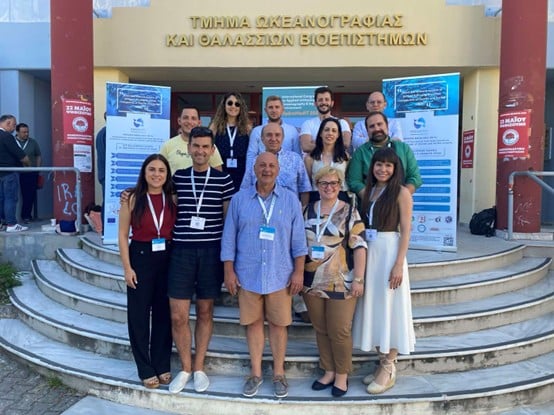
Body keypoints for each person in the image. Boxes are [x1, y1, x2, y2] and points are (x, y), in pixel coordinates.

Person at [221, 152, 307, 399]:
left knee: (279, 325)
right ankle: (256, 373)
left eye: (271, 165)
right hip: (247, 274)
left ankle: (279, 374)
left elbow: (299, 241)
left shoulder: (290, 200)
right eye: (262, 165)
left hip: (280, 274)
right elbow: (229, 238)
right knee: (254, 323)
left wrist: (299, 271)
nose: (267, 170)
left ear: (278, 170)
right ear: (254, 169)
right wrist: (228, 270)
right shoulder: (239, 200)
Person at [167, 126, 235, 394]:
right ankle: (185, 368)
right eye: (196, 145)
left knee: (205, 312)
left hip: (210, 252)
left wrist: (228, 259)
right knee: (178, 315)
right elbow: (168, 208)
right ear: (189, 148)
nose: (200, 150)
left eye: (205, 146)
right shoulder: (178, 177)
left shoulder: (224, 180)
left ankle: (199, 368)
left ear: (212, 150)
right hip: (181, 252)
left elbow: (228, 221)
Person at [352, 147, 415, 394]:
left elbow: (406, 230)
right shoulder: (368, 191)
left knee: (391, 308)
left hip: (389, 253)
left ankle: (389, 366)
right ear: (373, 167)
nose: (383, 169)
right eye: (379, 164)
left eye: (389, 165)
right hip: (371, 253)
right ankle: (381, 362)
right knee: (376, 307)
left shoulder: (401, 192)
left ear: (395, 168)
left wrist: (398, 263)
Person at [303, 166, 367, 397]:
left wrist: (359, 279)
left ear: (340, 186)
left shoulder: (349, 212)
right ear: (317, 186)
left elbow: (359, 246)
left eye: (333, 183)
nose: (329, 187)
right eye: (324, 183)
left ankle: (342, 374)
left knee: (339, 330)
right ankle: (328, 370)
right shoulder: (307, 210)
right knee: (320, 329)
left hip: (342, 281)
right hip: (311, 281)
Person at [118, 154, 176, 389]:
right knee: (139, 316)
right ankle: (144, 367)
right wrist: (127, 268)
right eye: (152, 169)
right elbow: (123, 235)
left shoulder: (172, 197)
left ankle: (161, 363)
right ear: (144, 172)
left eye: (161, 170)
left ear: (167, 174)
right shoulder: (132, 198)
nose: (156, 174)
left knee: (163, 314)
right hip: (140, 257)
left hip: (167, 258)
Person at [347, 111, 422, 198]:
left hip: (399, 202)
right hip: (371, 202)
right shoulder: (361, 152)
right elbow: (354, 181)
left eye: (379, 124)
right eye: (372, 126)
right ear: (367, 131)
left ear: (387, 126)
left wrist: (401, 197)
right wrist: (373, 200)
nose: (376, 129)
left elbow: (415, 178)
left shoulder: (403, 148)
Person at [241, 123, 311, 206]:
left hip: (289, 210)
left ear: (283, 138)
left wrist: (303, 210)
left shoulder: (295, 159)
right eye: (269, 135)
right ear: (262, 138)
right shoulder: (255, 161)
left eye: (277, 135)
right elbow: (245, 189)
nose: (273, 139)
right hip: (259, 209)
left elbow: (304, 188)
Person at [160, 105, 223, 174]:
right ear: (179, 121)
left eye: (193, 118)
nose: (189, 122)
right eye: (185, 118)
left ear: (199, 123)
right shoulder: (167, 145)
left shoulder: (208, 146)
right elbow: (160, 170)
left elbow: (218, 173)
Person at [209, 92, 251, 191]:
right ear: (224, 105)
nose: (233, 106)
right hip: (220, 170)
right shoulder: (215, 126)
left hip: (241, 172)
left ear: (241, 107)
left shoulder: (247, 127)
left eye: (237, 104)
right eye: (230, 103)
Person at [247, 95, 301, 165]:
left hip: (288, 170)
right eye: (270, 107)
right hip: (264, 170)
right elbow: (251, 156)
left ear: (282, 110)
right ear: (265, 110)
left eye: (277, 107)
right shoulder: (256, 131)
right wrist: (249, 171)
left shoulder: (292, 131)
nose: (274, 110)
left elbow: (297, 155)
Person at [0, 114, 30, 232]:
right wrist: (28, 164)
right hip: (9, 172)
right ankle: (11, 224)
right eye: (13, 125)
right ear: (7, 123)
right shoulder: (7, 136)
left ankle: (2, 223)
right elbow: (21, 155)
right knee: (10, 198)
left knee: (1, 199)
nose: (14, 128)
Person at [300, 87, 351, 153]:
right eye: (320, 100)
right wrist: (334, 142)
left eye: (327, 99)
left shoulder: (342, 123)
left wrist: (316, 143)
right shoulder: (308, 124)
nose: (324, 102)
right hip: (314, 160)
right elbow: (306, 147)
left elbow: (346, 144)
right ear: (315, 103)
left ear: (332, 103)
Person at [304, 118, 350, 192]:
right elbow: (307, 184)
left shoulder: (345, 157)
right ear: (320, 133)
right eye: (326, 130)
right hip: (317, 196)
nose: (330, 133)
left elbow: (347, 179)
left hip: (341, 195)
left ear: (338, 135)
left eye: (334, 131)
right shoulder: (310, 158)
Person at [15, 123, 41, 223]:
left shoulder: (32, 142)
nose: (26, 134)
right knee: (12, 195)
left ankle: (26, 216)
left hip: (30, 172)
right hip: (15, 172)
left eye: (27, 132)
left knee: (29, 195)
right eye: (23, 132)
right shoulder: (12, 142)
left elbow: (38, 155)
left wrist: (38, 169)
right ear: (17, 132)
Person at [95, 112, 107, 226]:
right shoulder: (107, 133)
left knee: (107, 202)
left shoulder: (102, 133)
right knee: (109, 203)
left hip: (105, 174)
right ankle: (106, 229)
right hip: (107, 175)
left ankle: (105, 229)